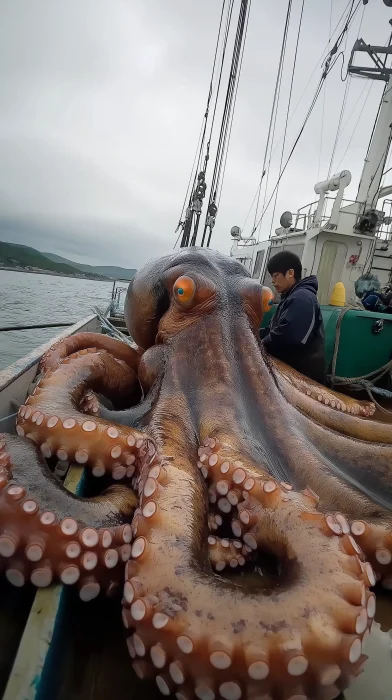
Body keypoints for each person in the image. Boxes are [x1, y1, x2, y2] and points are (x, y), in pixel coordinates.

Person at [260, 251, 326, 383]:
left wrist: (259, 345)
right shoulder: (290, 297)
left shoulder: (302, 298)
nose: (273, 281)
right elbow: (272, 330)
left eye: (276, 275)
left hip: (303, 378)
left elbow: (289, 337)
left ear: (290, 273)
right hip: (290, 372)